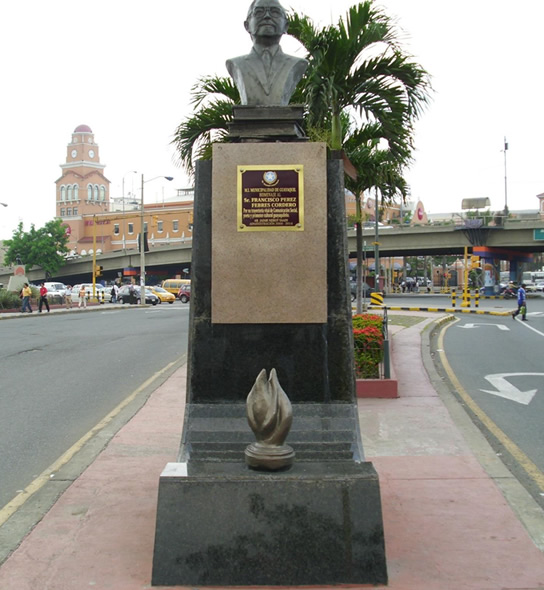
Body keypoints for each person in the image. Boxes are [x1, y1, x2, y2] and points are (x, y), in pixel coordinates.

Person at [226, 0, 308, 106]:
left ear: (286, 26)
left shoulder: (298, 64)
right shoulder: (236, 64)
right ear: (247, 26)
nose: (267, 16)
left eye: (275, 12)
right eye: (259, 12)